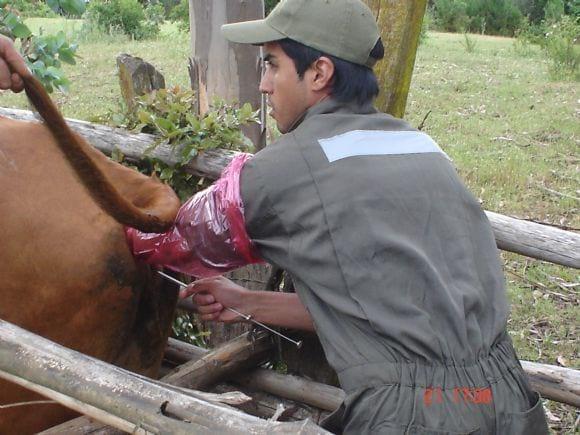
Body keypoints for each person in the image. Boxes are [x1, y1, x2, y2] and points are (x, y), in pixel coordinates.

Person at [0, 1, 549, 432]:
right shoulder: (425, 150)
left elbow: (159, 242)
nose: (262, 84)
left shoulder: (279, 174)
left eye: (271, 64)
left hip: (413, 418)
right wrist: (251, 301)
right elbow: (394, 307)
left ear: (320, 73)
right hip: (506, 396)